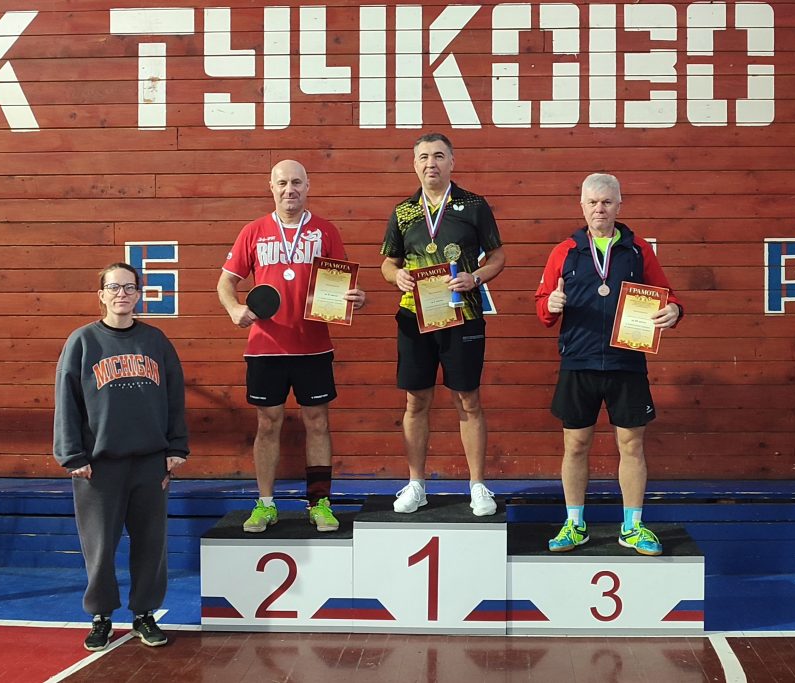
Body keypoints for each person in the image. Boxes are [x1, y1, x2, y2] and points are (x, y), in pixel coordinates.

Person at [534, 173, 683, 556]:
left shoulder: (638, 250)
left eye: (606, 202)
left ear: (619, 205)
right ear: (581, 206)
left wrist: (674, 310)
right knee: (575, 444)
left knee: (631, 444)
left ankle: (632, 527)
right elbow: (542, 306)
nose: (599, 209)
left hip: (626, 361)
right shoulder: (564, 251)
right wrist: (550, 305)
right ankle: (574, 523)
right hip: (578, 361)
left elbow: (667, 295)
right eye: (593, 202)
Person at [217, 160, 365, 534]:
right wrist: (234, 308)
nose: (289, 189)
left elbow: (340, 284)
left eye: (296, 182)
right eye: (282, 183)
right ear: (271, 187)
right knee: (268, 424)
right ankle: (266, 505)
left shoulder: (325, 231)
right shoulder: (253, 232)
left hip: (313, 347)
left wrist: (354, 298)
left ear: (307, 186)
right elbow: (225, 282)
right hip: (265, 348)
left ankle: (320, 503)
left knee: (318, 422)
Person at [53, 262, 189, 651]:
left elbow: (175, 396)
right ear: (101, 295)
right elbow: (66, 401)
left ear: (139, 294)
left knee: (151, 545)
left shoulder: (156, 341)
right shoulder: (82, 341)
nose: (122, 294)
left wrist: (176, 447)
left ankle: (144, 614)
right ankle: (101, 616)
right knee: (99, 548)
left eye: (129, 287)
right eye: (114, 287)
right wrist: (72, 455)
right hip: (99, 466)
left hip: (149, 462)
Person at [379, 132, 506, 516]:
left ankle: (478, 486)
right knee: (415, 400)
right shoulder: (403, 211)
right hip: (413, 317)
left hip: (463, 314)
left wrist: (475, 277)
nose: (430, 163)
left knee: (468, 399)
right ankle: (416, 483)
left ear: (452, 162)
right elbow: (388, 263)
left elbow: (498, 257)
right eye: (423, 157)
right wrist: (396, 277)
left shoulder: (474, 205)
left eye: (438, 156)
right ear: (414, 164)